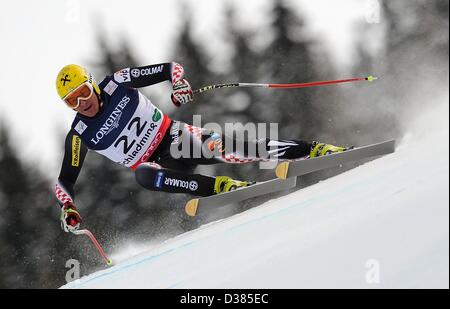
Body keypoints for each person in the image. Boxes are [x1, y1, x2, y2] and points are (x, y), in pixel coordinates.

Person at [54, 62, 347, 232]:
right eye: (71, 101)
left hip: (178, 140)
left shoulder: (117, 82)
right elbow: (65, 179)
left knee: (239, 147)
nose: (82, 103)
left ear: (91, 84)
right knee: (144, 174)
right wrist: (68, 207)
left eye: (82, 93)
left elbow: (170, 68)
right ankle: (219, 186)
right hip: (161, 167)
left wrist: (179, 83)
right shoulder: (79, 134)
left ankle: (313, 149)